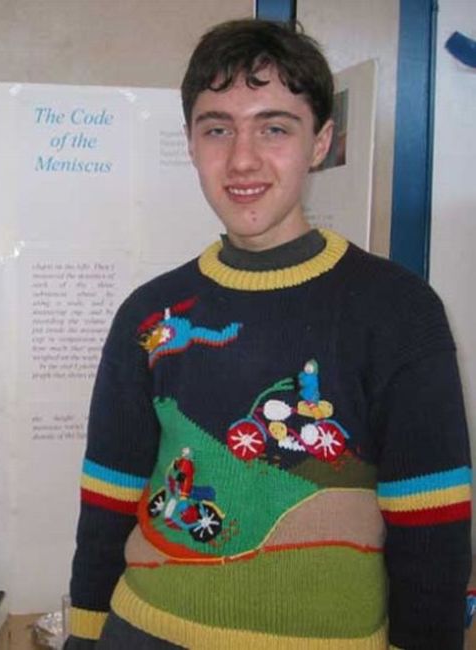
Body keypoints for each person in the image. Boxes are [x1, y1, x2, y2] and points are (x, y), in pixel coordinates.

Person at [65, 19, 472, 650]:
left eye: (274, 128)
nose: (242, 159)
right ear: (191, 144)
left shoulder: (399, 311)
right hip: (143, 631)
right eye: (217, 129)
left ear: (320, 142)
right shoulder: (149, 314)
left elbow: (432, 525)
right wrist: (85, 633)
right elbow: (107, 498)